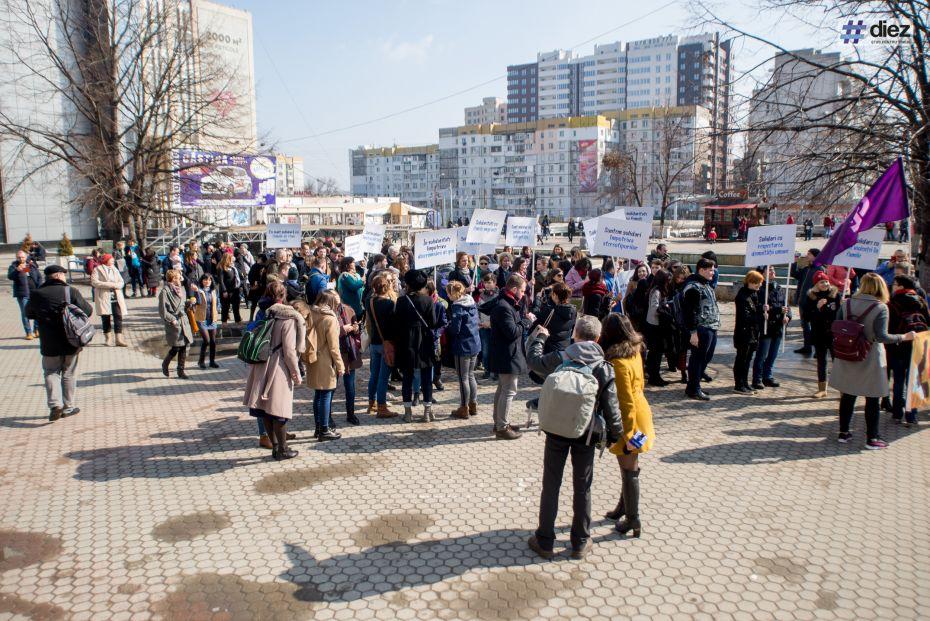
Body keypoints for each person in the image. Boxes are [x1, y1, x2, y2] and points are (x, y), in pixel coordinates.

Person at [525, 315, 623, 560]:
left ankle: (545, 539)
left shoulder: (561, 356)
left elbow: (533, 361)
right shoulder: (603, 366)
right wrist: (616, 436)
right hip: (587, 432)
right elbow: (612, 407)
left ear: (574, 335)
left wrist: (540, 337)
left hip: (556, 429)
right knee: (583, 486)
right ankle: (580, 540)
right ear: (598, 338)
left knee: (551, 484)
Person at [830, 273, 914, 449]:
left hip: (847, 354)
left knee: (848, 394)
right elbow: (882, 336)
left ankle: (843, 433)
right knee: (873, 398)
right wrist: (903, 337)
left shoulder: (847, 303)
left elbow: (836, 324)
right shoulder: (881, 307)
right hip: (869, 356)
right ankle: (872, 438)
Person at [599, 313, 655, 537]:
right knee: (629, 467)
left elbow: (624, 402)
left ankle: (633, 519)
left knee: (629, 468)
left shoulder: (618, 362)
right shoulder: (635, 351)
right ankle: (624, 507)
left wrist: (629, 435)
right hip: (641, 416)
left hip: (629, 422)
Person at [244, 282, 304, 459]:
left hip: (261, 364)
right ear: (283, 295)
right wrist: (296, 373)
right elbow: (290, 351)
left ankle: (276, 447)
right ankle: (283, 449)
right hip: (278, 366)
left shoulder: (263, 312)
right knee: (279, 410)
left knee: (265, 411)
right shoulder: (288, 318)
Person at [24, 265, 92, 421]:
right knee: (69, 373)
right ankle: (68, 407)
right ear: (60, 276)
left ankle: (55, 404)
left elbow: (28, 313)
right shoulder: (70, 291)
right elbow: (87, 311)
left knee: (51, 372)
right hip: (71, 340)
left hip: (49, 342)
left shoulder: (37, 294)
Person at [485, 274, 531, 439]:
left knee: (502, 389)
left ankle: (500, 422)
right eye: (523, 290)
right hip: (507, 355)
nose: (524, 294)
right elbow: (512, 332)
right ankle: (502, 427)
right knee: (509, 391)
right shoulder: (504, 306)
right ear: (514, 289)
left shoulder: (507, 303)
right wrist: (526, 321)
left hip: (506, 354)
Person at [394, 270, 438, 423]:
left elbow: (397, 323)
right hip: (424, 341)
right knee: (426, 377)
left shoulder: (401, 301)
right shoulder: (428, 300)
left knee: (407, 377)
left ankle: (408, 412)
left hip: (406, 342)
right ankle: (427, 411)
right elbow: (432, 323)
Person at [303, 290, 346, 440]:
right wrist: (340, 365)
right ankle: (325, 429)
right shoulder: (330, 319)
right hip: (326, 361)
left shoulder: (311, 313)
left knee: (318, 395)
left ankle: (318, 427)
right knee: (326, 395)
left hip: (313, 358)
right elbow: (334, 347)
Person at [887, 275, 929, 426]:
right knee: (915, 381)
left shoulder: (893, 303)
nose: (893, 286)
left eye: (895, 284)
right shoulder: (921, 301)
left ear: (901, 286)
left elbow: (889, 327)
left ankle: (897, 413)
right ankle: (912, 415)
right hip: (919, 345)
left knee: (899, 381)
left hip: (900, 345)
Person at [682, 258, 720, 400]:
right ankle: (694, 389)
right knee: (697, 359)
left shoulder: (706, 284)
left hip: (711, 327)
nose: (713, 272)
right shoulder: (693, 287)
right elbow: (689, 312)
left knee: (705, 357)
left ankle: (693, 385)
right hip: (701, 328)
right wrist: (693, 333)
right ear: (701, 270)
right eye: (710, 269)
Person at [445, 281, 481, 419]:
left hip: (463, 346)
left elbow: (455, 329)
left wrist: (447, 327)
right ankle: (473, 404)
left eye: (448, 293)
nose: (448, 296)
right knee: (471, 375)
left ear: (453, 293)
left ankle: (464, 407)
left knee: (463, 378)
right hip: (475, 343)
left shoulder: (457, 307)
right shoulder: (471, 302)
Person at [751, 266, 791, 390]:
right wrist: (776, 310)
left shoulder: (779, 288)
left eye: (773, 270)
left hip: (778, 326)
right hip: (766, 327)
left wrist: (788, 316)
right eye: (769, 270)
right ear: (762, 273)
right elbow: (760, 307)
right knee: (762, 354)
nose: (773, 272)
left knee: (773, 354)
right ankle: (757, 378)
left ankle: (767, 376)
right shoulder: (760, 289)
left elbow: (786, 305)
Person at [366, 272, 399, 418]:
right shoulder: (389, 304)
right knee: (383, 377)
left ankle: (371, 403)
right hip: (386, 343)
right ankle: (382, 407)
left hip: (374, 342)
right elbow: (393, 325)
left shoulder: (370, 301)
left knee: (374, 374)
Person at [803, 271, 840, 398]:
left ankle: (842, 389)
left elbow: (840, 314)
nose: (825, 284)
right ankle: (822, 389)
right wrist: (817, 308)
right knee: (821, 361)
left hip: (834, 333)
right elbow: (806, 317)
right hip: (819, 333)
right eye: (821, 282)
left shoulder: (835, 295)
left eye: (826, 281)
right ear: (816, 284)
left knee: (838, 361)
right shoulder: (811, 297)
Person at [158, 269, 194, 379]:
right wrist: (172, 319)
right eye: (178, 277)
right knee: (177, 347)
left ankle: (181, 370)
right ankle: (165, 363)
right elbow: (162, 310)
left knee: (184, 345)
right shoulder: (165, 291)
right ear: (173, 279)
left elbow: (182, 305)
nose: (180, 279)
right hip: (175, 322)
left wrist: (189, 303)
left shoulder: (179, 289)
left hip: (184, 320)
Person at [733, 271, 764, 394]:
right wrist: (761, 315)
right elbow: (745, 317)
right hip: (744, 333)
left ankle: (745, 382)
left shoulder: (753, 294)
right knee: (742, 359)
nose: (759, 286)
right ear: (751, 282)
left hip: (752, 333)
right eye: (758, 283)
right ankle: (738, 384)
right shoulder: (742, 296)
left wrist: (762, 309)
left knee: (748, 359)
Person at [335, 290, 363, 426]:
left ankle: (351, 414)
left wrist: (356, 327)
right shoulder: (327, 314)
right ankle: (326, 418)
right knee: (331, 387)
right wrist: (342, 330)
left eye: (337, 299)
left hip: (349, 352)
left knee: (350, 386)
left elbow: (356, 326)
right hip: (334, 353)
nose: (336, 302)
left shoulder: (349, 309)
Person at [791, 249, 825, 357]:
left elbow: (823, 287)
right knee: (805, 325)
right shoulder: (807, 268)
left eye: (809, 254)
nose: (807, 256)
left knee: (815, 326)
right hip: (803, 302)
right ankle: (807, 347)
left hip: (813, 303)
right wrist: (794, 262)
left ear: (815, 256)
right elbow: (795, 274)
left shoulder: (820, 269)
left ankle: (818, 350)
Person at [644, 268, 673, 387]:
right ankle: (654, 376)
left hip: (657, 325)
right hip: (655, 326)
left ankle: (654, 375)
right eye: (668, 280)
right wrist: (665, 309)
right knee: (656, 353)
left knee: (655, 353)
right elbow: (655, 309)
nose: (670, 282)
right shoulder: (656, 292)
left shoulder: (659, 290)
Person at [91, 253, 128, 347]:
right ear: (106, 260)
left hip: (116, 297)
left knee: (118, 317)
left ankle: (118, 339)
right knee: (106, 318)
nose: (113, 260)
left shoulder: (114, 269)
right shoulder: (97, 269)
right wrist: (110, 285)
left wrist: (117, 285)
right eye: (111, 259)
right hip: (104, 297)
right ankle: (108, 338)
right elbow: (94, 282)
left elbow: (121, 282)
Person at [530, 282, 576, 355]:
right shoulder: (573, 310)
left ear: (555, 295)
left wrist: (538, 299)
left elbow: (535, 316)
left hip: (550, 350)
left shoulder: (550, 312)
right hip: (565, 349)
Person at [9, 250, 42, 339]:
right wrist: (17, 270)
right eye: (19, 257)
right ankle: (28, 333)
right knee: (25, 313)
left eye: (23, 257)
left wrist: (39, 288)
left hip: (34, 292)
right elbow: (10, 276)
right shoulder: (14, 266)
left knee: (37, 311)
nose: (21, 259)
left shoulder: (31, 265)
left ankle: (36, 330)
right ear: (16, 258)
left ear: (26, 257)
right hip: (22, 294)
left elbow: (38, 276)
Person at [191, 273, 220, 369]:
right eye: (205, 280)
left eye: (209, 280)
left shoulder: (214, 290)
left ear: (211, 281)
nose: (207, 282)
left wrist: (217, 309)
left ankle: (212, 361)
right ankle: (201, 361)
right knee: (206, 340)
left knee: (213, 341)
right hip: (202, 319)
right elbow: (198, 302)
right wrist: (196, 292)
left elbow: (217, 302)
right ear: (202, 281)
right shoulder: (198, 290)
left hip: (212, 319)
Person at [476, 272, 498, 380]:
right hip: (483, 326)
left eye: (489, 282)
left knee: (495, 350)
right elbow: (479, 311)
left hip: (494, 327)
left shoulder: (498, 296)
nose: (487, 285)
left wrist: (492, 323)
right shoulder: (481, 295)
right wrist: (480, 322)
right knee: (485, 350)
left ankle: (495, 371)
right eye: (485, 282)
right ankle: (487, 370)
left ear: (494, 283)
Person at [216, 252, 242, 324]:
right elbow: (221, 281)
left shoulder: (232, 267)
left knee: (236, 307)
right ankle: (224, 322)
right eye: (231, 258)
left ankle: (238, 320)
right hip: (226, 291)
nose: (233, 259)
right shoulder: (221, 268)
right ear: (227, 259)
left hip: (234, 290)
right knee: (225, 308)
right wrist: (224, 291)